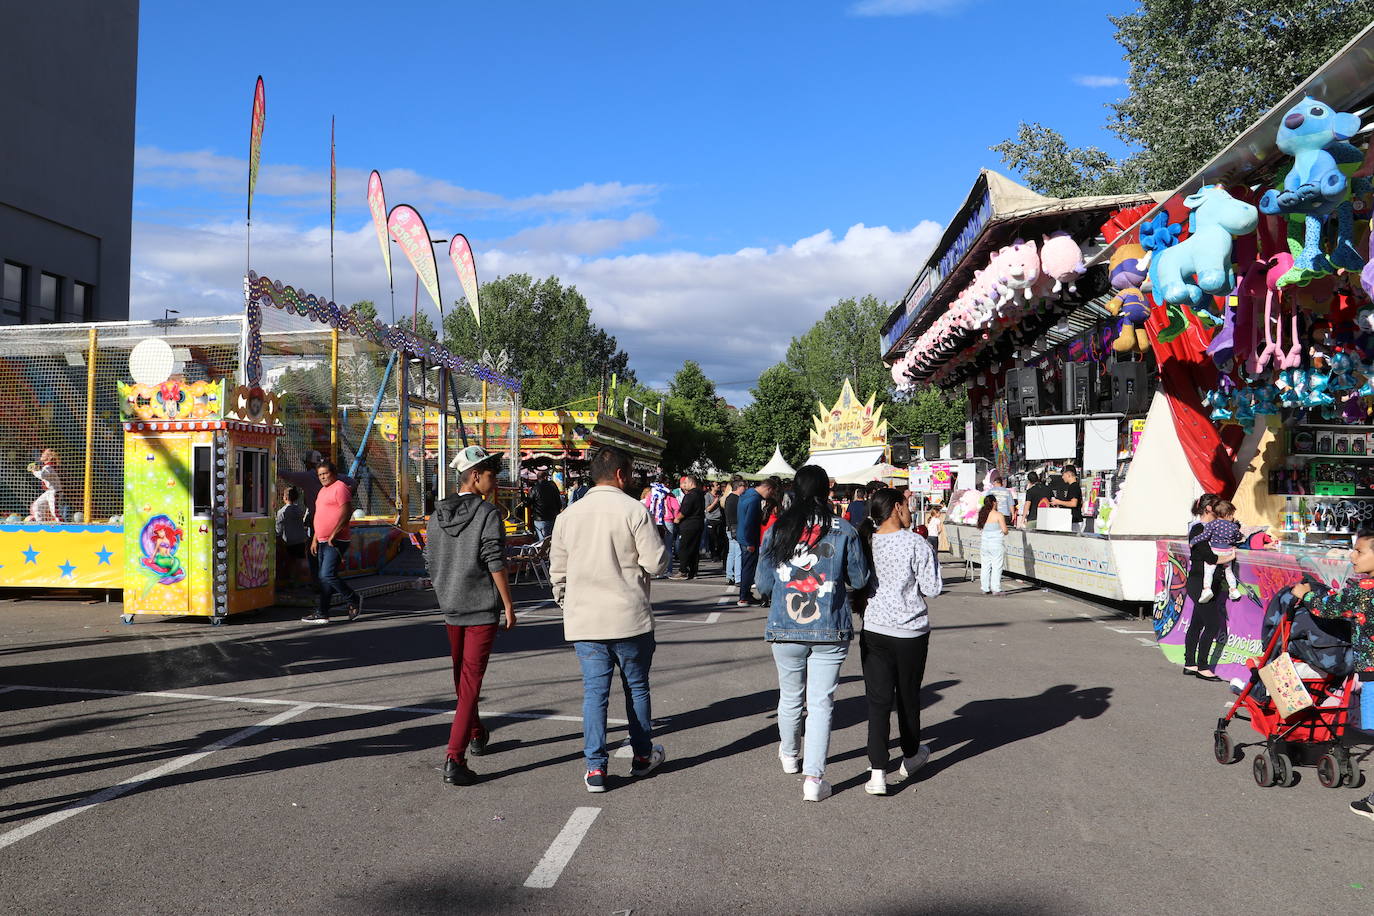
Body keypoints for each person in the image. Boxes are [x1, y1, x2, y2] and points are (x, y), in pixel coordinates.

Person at [550, 446, 668, 793]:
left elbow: (558, 573)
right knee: (637, 688)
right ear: (621, 474)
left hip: (585, 619)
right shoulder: (634, 510)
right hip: (629, 618)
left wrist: (567, 603)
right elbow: (657, 564)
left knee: (594, 694)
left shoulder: (568, 515)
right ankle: (643, 756)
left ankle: (595, 769)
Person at [756, 464, 870, 802]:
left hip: (784, 627)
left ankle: (789, 755)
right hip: (830, 626)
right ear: (826, 492)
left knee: (790, 696)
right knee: (821, 703)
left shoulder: (778, 529)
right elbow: (860, 579)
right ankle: (814, 778)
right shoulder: (843, 529)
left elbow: (762, 584)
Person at [424, 446, 517, 787]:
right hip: (480, 607)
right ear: (475, 476)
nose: (496, 481)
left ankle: (476, 733)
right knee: (469, 683)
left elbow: (429, 559)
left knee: (461, 680)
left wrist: (444, 590)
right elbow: (495, 561)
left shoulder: (436, 514)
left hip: (450, 606)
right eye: (492, 475)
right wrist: (508, 604)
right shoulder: (488, 514)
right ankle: (454, 757)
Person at [856, 488, 942, 795]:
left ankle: (877, 771)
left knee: (877, 702)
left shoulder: (866, 540)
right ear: (896, 507)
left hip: (875, 627)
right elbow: (932, 588)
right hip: (910, 631)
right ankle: (910, 755)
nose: (909, 511)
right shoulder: (916, 542)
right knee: (907, 697)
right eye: (907, 505)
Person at [1290, 529, 1374, 822]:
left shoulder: (1364, 589)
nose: (1353, 556)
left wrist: (1306, 594)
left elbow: (1329, 607)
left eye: (1360, 551)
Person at [302, 460, 362, 624]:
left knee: (327, 575)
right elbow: (319, 515)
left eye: (325, 473)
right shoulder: (322, 491)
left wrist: (333, 534)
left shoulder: (340, 487)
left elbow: (346, 512)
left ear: (333, 473)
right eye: (320, 475)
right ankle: (322, 612)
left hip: (335, 540)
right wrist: (315, 538)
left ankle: (353, 598)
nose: (322, 477)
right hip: (321, 540)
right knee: (324, 578)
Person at [1183, 494, 1229, 680]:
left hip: (1211, 582)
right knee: (1212, 624)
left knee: (1197, 623)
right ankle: (1203, 666)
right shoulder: (1198, 529)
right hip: (1199, 583)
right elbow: (1209, 557)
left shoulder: (1215, 528)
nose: (1220, 509)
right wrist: (1229, 557)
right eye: (1217, 505)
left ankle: (1190, 663)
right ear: (1208, 508)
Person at [1190, 499, 1245, 602]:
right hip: (1228, 551)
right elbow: (1238, 537)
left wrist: (1193, 541)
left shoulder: (1212, 524)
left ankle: (1206, 589)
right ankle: (1233, 590)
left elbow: (1204, 536)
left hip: (1215, 550)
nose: (1233, 517)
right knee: (1229, 572)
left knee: (1209, 571)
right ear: (1228, 514)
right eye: (1232, 514)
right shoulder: (1233, 526)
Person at [736, 478, 775, 607]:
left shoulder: (746, 495)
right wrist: (751, 543)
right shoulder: (755, 499)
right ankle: (744, 596)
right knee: (748, 568)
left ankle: (745, 594)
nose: (770, 496)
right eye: (771, 492)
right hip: (749, 539)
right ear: (768, 488)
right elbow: (750, 522)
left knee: (746, 567)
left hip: (742, 536)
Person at [275, 486, 309, 589]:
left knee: (289, 561)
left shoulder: (282, 512)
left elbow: (278, 528)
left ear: (284, 497)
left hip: (288, 540)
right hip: (300, 539)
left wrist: (278, 538)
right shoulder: (299, 510)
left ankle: (289, 580)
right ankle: (297, 580)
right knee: (298, 561)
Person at [672, 475, 706, 580]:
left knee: (684, 548)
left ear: (691, 483)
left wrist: (677, 518)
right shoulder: (701, 494)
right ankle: (693, 571)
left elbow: (685, 510)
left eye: (685, 483)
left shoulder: (690, 495)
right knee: (694, 548)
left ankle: (683, 571)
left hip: (689, 525)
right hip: (698, 523)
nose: (684, 485)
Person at [977, 494, 1008, 596]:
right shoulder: (998, 515)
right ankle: (996, 588)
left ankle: (985, 588)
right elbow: (1005, 530)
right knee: (996, 566)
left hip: (985, 544)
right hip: (996, 544)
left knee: (985, 566)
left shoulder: (982, 514)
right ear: (994, 503)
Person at [28, 448, 61, 523]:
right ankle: (40, 524)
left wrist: (34, 471)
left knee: (54, 511)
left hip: (54, 491)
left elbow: (42, 475)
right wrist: (37, 469)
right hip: (48, 492)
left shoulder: (49, 466)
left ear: (49, 457)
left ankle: (62, 526)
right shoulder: (46, 467)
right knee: (37, 505)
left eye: (44, 453)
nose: (42, 454)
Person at [529, 469, 563, 541]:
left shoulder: (535, 488)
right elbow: (558, 501)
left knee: (542, 540)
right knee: (551, 538)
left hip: (539, 517)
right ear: (545, 477)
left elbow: (529, 501)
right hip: (552, 516)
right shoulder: (553, 487)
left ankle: (543, 551)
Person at [1049, 464, 1084, 532]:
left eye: (1063, 475)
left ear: (1068, 474)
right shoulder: (1075, 486)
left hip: (1075, 522)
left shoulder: (1073, 486)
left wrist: (1058, 502)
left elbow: (1073, 503)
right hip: (1074, 520)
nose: (1062, 477)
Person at [724, 477, 745, 585]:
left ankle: (729, 575)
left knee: (731, 553)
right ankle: (738, 578)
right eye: (744, 487)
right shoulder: (737, 499)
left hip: (729, 528)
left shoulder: (728, 498)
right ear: (739, 487)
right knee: (738, 553)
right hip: (736, 527)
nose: (745, 489)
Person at [704, 481, 725, 562]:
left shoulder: (720, 495)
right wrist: (715, 502)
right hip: (711, 520)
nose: (718, 486)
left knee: (720, 539)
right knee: (712, 539)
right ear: (712, 487)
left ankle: (719, 554)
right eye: (716, 485)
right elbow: (708, 509)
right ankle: (713, 555)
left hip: (720, 519)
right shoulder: (707, 496)